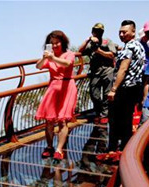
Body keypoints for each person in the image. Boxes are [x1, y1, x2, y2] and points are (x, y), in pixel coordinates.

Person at [105, 20, 145, 159]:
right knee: (127, 118)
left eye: (125, 32)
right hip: (136, 86)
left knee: (115, 119)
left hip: (125, 87)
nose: (121, 34)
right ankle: (125, 149)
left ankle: (113, 149)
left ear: (133, 32)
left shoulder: (129, 47)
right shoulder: (139, 46)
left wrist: (114, 89)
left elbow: (123, 68)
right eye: (120, 32)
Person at [35, 30, 78, 161]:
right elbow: (38, 66)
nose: (54, 46)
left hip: (67, 87)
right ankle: (49, 147)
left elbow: (68, 64)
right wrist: (45, 57)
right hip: (53, 88)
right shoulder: (49, 57)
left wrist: (53, 58)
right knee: (49, 120)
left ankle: (59, 149)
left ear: (63, 42)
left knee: (62, 120)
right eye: (51, 43)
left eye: (57, 43)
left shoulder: (69, 54)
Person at [78, 23, 117, 124]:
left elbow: (112, 55)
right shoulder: (90, 44)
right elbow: (80, 51)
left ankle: (104, 115)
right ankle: (99, 112)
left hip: (107, 70)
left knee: (106, 94)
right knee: (94, 93)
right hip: (95, 72)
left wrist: (99, 51)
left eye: (100, 31)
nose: (97, 33)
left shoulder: (107, 41)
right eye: (95, 31)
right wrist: (87, 40)